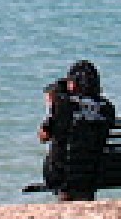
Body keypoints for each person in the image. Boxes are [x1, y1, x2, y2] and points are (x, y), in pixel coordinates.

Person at [40, 60, 116, 200]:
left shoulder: (64, 107)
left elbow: (43, 137)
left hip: (63, 173)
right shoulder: (107, 108)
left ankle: (66, 197)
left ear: (73, 84)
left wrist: (53, 107)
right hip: (94, 172)